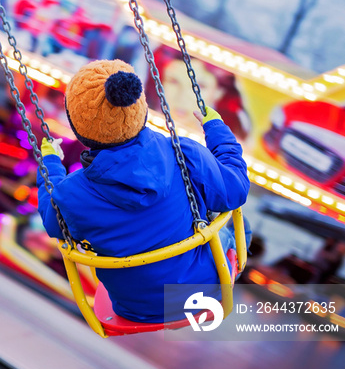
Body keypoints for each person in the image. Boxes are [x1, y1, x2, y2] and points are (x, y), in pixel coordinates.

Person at [36, 59, 251, 323]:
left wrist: (50, 162)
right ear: (138, 107)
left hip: (134, 308)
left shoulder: (71, 194)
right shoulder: (183, 152)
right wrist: (217, 131)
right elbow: (236, 190)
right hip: (204, 289)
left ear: (79, 128)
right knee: (230, 217)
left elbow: (51, 220)